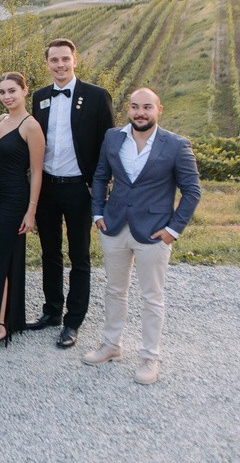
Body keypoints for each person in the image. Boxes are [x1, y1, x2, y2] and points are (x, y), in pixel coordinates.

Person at [84, 88, 201, 385]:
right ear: (128, 109)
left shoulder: (176, 145)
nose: (140, 112)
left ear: (159, 109)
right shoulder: (113, 137)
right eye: (135, 107)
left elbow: (192, 192)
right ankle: (111, 345)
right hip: (113, 227)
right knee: (114, 290)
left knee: (152, 297)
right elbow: (100, 176)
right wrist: (98, 213)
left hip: (154, 232)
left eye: (147, 107)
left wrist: (172, 231)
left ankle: (150, 357)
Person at [26, 38, 114, 349]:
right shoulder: (39, 97)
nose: (60, 65)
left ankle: (73, 320)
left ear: (74, 60)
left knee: (79, 256)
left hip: (80, 188)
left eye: (65, 59)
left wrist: (99, 185)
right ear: (47, 63)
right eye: (54, 60)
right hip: (48, 186)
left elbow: (109, 146)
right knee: (50, 253)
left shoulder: (97, 96)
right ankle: (51, 311)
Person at [0, 73, 44, 351]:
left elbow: (37, 172)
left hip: (16, 198)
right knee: (10, 258)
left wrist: (31, 211)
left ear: (26, 91)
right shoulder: (2, 121)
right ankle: (13, 319)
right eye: (2, 92)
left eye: (12, 90)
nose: (7, 97)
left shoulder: (31, 126)